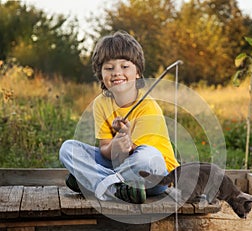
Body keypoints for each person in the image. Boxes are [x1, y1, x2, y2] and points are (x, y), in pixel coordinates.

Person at [59, 31, 179, 204]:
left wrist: (125, 141)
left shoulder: (148, 106)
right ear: (100, 75)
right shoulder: (100, 103)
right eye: (109, 68)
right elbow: (105, 150)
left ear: (137, 72)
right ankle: (116, 188)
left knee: (146, 157)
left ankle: (93, 182)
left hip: (153, 177)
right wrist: (115, 145)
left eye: (124, 67)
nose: (116, 73)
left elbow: (140, 159)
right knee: (68, 149)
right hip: (120, 168)